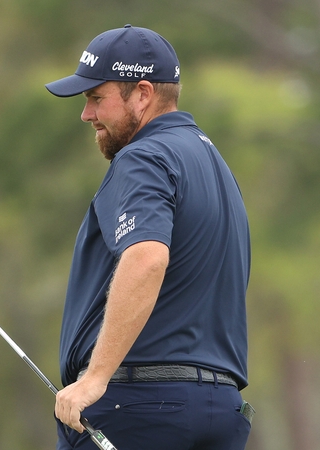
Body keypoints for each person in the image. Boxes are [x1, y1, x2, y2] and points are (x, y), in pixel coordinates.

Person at [44, 25, 253, 450]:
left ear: (142, 94)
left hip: (141, 408)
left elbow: (146, 257)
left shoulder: (142, 157)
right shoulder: (212, 160)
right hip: (219, 410)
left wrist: (95, 379)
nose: (87, 114)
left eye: (96, 97)